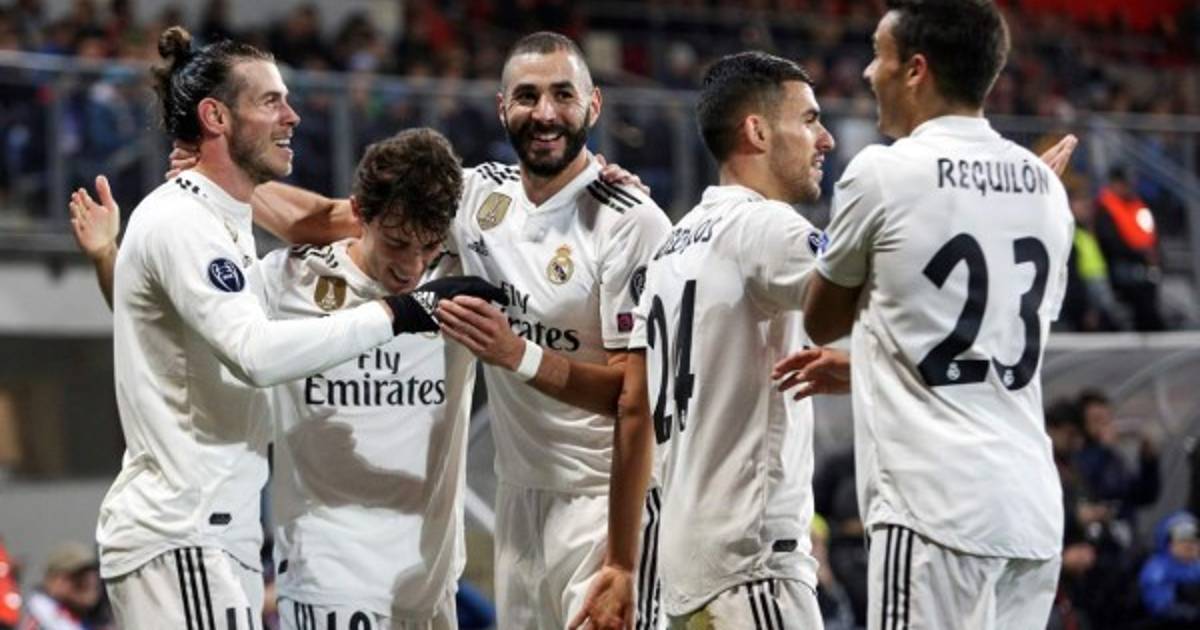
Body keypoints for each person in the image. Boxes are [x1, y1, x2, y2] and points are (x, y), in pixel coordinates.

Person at [169, 30, 673, 629]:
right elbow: (328, 218)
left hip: (604, 502)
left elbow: (636, 400)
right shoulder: (477, 196)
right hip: (518, 501)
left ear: (593, 105)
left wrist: (518, 355)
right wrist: (220, 179)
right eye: (528, 96)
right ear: (501, 108)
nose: (544, 113)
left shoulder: (628, 221)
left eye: (563, 95)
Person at [69, 27, 503, 628]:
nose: (292, 115)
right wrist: (401, 312)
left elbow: (161, 325)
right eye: (271, 100)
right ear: (217, 117)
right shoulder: (185, 220)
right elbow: (255, 352)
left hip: (219, 535)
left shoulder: (221, 225)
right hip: (186, 529)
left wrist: (107, 259)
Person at [801, 1, 1072, 628]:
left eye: (878, 55)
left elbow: (821, 319)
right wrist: (870, 364)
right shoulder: (1046, 188)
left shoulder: (881, 172)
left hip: (933, 511)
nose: (868, 72)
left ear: (916, 69)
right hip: (1030, 515)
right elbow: (986, 341)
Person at [572, 51, 841, 629]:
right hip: (753, 567)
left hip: (690, 570)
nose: (826, 140)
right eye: (810, 120)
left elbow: (636, 405)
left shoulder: (673, 247)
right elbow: (869, 298)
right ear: (758, 131)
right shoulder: (765, 226)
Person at [17, 543, 102, 630]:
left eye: (93, 573)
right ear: (53, 580)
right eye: (79, 575)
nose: (90, 582)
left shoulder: (82, 619)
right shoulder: (40, 621)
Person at [1139, 511, 1200, 628]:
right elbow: (1161, 607)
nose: (1190, 544)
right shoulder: (1158, 569)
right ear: (1167, 543)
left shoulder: (1196, 565)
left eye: (1194, 539)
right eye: (1182, 539)